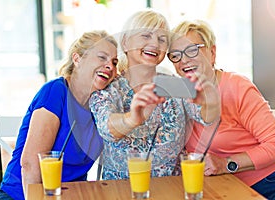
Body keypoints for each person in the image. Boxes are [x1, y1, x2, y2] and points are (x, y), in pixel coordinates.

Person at [168, 19, 275, 200]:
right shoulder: (178, 96)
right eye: (175, 55)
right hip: (224, 188)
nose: (184, 60)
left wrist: (226, 164)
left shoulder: (237, 86)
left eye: (192, 50)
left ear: (212, 53)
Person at [89, 9, 220, 180]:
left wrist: (210, 99)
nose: (155, 44)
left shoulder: (174, 84)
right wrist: (132, 119)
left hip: (172, 189)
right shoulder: (108, 89)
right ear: (126, 42)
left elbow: (206, 117)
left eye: (162, 39)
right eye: (146, 36)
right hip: (120, 191)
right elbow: (107, 129)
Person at [0, 30, 118, 200]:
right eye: (102, 57)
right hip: (24, 195)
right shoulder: (56, 92)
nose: (110, 66)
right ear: (77, 59)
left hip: (72, 195)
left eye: (114, 62)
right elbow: (30, 165)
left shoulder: (102, 105)